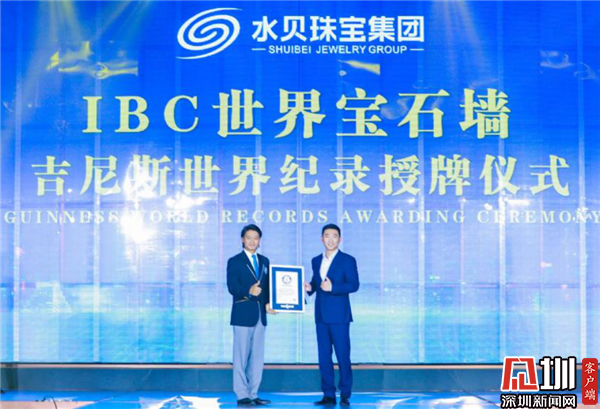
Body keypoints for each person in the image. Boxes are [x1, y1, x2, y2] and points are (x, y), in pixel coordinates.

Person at [304, 224, 360, 407]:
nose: (330, 239)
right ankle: (328, 394)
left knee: (343, 356)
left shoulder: (347, 260)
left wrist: (333, 287)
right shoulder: (315, 260)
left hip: (339, 317)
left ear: (339, 239)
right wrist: (309, 288)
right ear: (322, 238)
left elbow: (354, 285)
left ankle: (345, 394)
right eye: (326, 236)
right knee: (324, 358)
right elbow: (316, 283)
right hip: (321, 316)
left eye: (334, 236)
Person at [227, 224, 276, 407]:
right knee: (240, 357)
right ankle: (242, 394)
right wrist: (249, 291)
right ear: (242, 239)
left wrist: (270, 303)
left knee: (257, 357)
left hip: (260, 315)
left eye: (256, 238)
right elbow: (232, 287)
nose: (252, 241)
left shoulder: (264, 261)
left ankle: (253, 393)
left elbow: (268, 287)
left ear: (259, 240)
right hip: (242, 314)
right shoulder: (235, 261)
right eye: (249, 238)